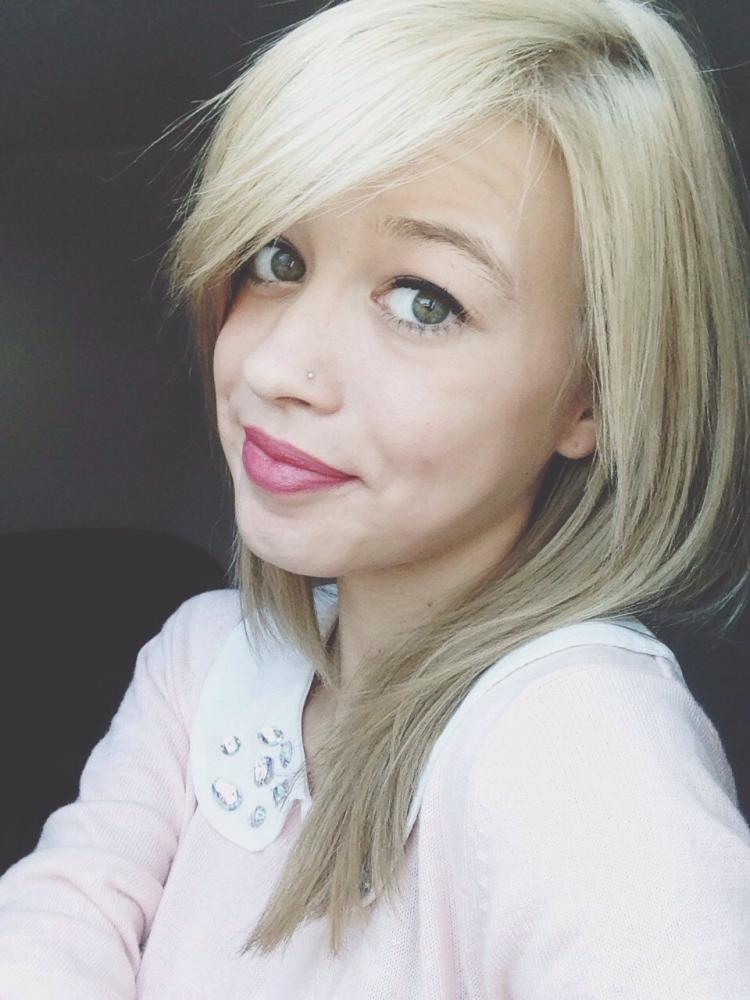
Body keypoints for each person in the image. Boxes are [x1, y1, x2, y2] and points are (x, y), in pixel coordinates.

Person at [1, 0, 749, 995]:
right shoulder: (206, 660)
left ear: (594, 396)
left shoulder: (580, 738)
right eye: (277, 260)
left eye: (423, 301)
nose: (276, 365)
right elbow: (64, 916)